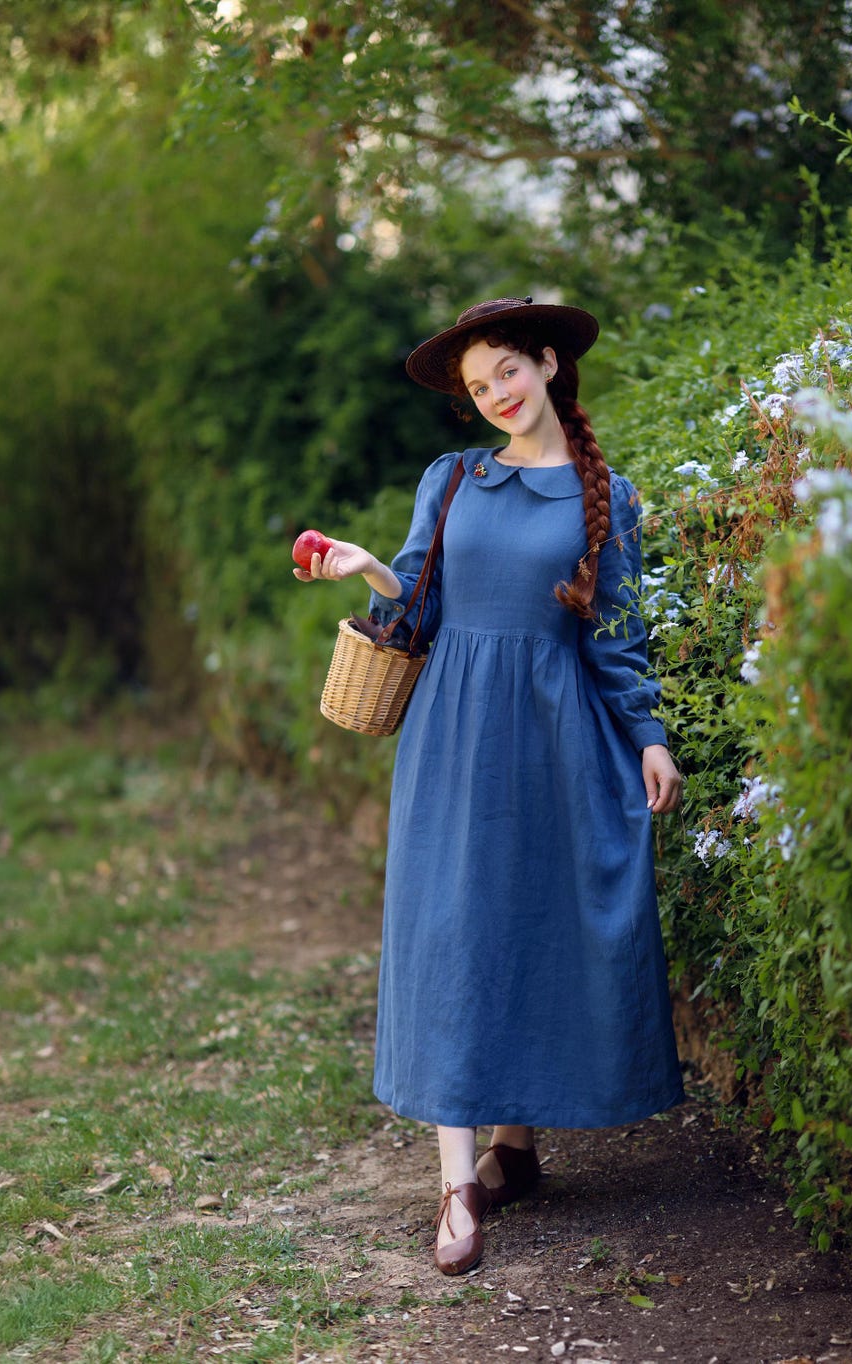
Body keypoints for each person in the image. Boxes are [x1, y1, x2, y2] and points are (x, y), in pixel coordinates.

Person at [294, 296, 685, 1275]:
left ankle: (516, 1149)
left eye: (508, 369)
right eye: (478, 385)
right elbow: (418, 596)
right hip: (456, 733)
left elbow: (617, 635)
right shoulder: (455, 478)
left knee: (527, 919)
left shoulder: (607, 498)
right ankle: (459, 1180)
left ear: (548, 364)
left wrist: (647, 737)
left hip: (558, 734)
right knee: (456, 926)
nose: (496, 393)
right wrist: (364, 566)